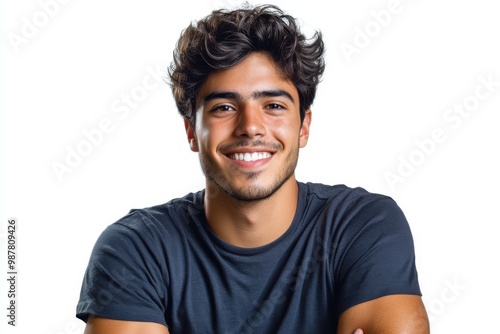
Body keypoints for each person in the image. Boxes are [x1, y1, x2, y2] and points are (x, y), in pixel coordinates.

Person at [76, 4, 429, 333]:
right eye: (224, 108)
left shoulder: (364, 227)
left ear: (303, 127)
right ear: (191, 132)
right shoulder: (134, 249)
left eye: (273, 105)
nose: (251, 127)